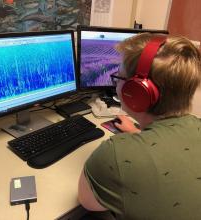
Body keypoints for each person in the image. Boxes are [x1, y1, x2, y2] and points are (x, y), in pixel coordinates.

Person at [78, 32, 201, 220]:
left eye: (119, 78)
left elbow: (87, 201)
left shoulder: (116, 153)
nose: (116, 83)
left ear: (137, 93)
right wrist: (138, 132)